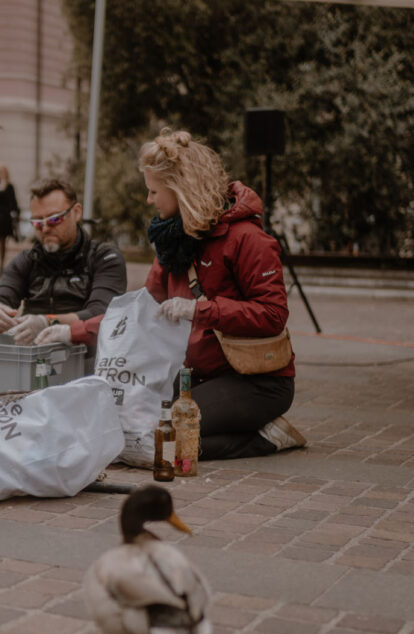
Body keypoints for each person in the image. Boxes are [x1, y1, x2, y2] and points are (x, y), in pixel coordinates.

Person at [39, 128, 305, 460]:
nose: (149, 200)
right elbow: (137, 316)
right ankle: (237, 426)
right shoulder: (173, 242)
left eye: (153, 191)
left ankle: (268, 436)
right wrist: (71, 331)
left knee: (166, 439)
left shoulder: (248, 238)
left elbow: (273, 315)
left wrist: (201, 310)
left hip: (258, 380)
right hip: (198, 377)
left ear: (180, 190)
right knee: (128, 427)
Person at [0, 177, 127, 347]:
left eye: (54, 219)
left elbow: (100, 313)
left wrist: (47, 321)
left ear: (77, 212)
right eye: (37, 222)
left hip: (84, 357)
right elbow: (1, 298)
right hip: (34, 357)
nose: (45, 228)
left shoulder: (104, 257)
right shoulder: (26, 259)